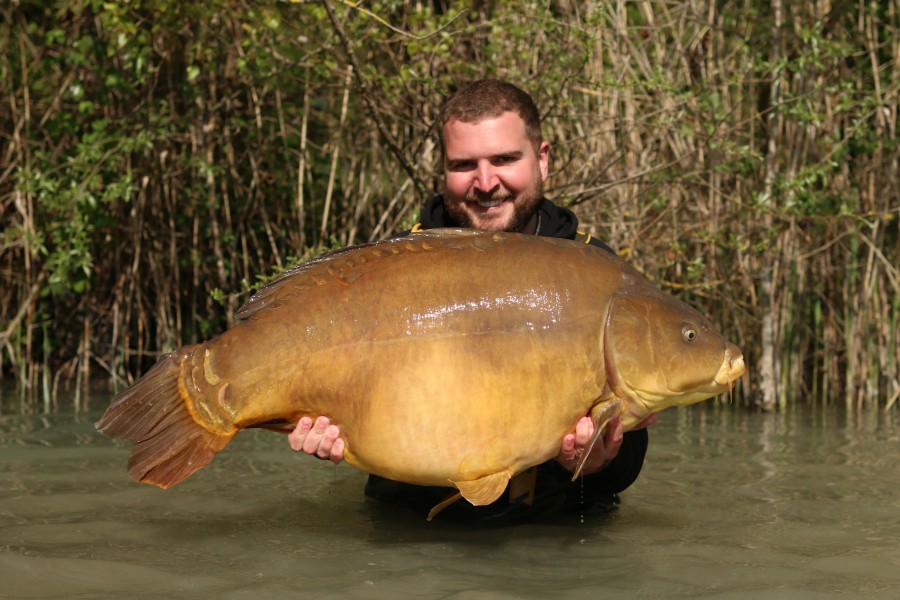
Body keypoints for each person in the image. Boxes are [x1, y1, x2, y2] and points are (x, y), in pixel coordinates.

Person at [288, 79, 656, 524]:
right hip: (411, 534)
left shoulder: (596, 271)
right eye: (464, 164)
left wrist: (598, 462)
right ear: (443, 169)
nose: (486, 183)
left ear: (542, 159)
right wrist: (320, 427)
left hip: (552, 540)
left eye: (504, 159)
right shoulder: (394, 267)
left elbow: (626, 466)